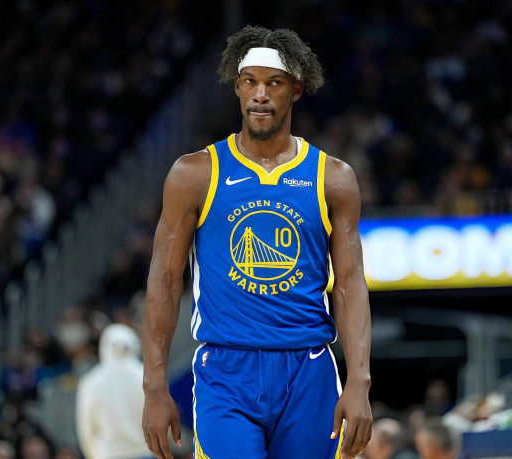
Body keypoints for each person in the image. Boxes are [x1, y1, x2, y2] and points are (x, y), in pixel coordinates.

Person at [142, 25, 373, 459]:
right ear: (237, 87)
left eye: (274, 83)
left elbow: (348, 283)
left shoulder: (333, 177)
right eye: (250, 82)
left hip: (309, 368)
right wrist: (154, 387)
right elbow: (165, 280)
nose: (260, 95)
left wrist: (359, 382)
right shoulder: (195, 174)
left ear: (297, 89)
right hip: (226, 371)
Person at [76, 324, 151, 459]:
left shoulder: (90, 382)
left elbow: (86, 429)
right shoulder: (147, 377)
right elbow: (163, 422)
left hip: (107, 454)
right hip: (145, 452)